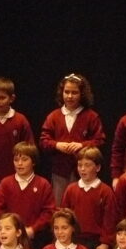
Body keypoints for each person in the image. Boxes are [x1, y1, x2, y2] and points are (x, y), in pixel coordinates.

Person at [39, 73, 106, 205]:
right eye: (66, 92)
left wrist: (82, 145)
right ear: (61, 93)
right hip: (60, 172)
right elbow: (43, 141)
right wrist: (57, 145)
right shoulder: (54, 116)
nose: (69, 96)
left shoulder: (91, 117)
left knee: (81, 205)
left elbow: (100, 140)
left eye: (74, 92)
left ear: (82, 94)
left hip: (84, 171)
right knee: (60, 207)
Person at [0, 142, 55, 249]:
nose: (19, 163)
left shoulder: (43, 184)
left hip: (36, 240)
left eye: (24, 159)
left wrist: (33, 229)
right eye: (16, 160)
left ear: (33, 162)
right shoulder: (5, 183)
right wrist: (11, 229)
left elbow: (49, 212)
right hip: (9, 239)